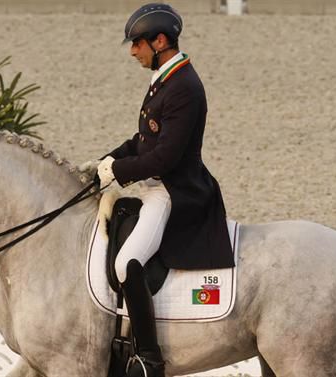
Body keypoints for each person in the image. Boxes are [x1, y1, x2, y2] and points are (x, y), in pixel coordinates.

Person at [84, 3, 235, 377]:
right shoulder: (165, 79)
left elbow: (164, 157)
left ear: (160, 40)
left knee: (128, 262)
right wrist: (103, 161)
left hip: (173, 190)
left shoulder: (185, 86)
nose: (133, 51)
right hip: (155, 183)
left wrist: (116, 171)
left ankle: (148, 359)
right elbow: (143, 140)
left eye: (137, 43)